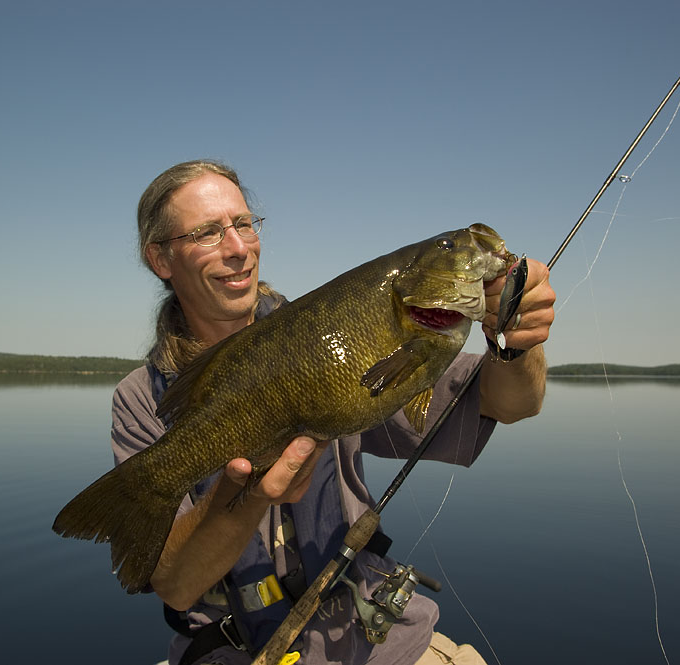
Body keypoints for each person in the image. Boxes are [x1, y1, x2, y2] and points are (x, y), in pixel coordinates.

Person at [111, 160, 556, 665]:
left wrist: (517, 344)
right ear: (160, 259)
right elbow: (175, 584)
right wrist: (249, 498)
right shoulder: (141, 400)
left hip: (377, 641)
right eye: (207, 233)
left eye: (243, 224)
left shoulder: (331, 332)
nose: (237, 249)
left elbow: (511, 403)